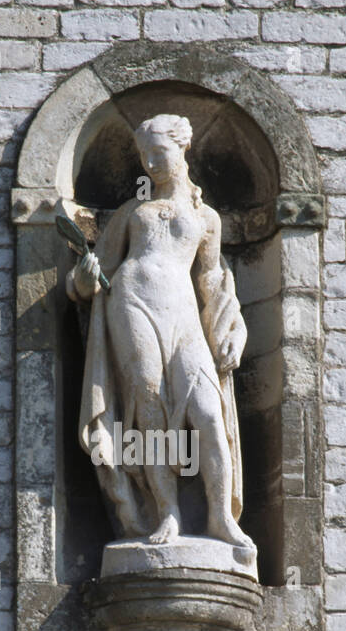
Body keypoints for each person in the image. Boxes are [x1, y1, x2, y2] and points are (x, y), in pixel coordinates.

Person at [66, 113, 254, 551]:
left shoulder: (207, 218)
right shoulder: (134, 211)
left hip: (184, 316)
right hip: (131, 305)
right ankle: (165, 511)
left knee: (209, 413)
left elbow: (212, 281)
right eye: (144, 155)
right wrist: (83, 278)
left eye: (159, 152)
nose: (150, 162)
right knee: (147, 410)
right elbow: (100, 271)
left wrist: (234, 331)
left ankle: (221, 516)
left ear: (182, 148)